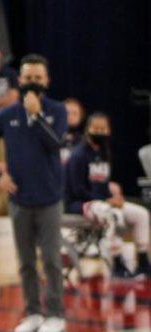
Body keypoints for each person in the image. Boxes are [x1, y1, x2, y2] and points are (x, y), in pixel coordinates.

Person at [0, 55, 67, 332]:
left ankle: (55, 315)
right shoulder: (6, 116)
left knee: (51, 259)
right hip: (20, 200)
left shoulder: (57, 110)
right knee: (26, 262)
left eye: (38, 78)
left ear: (46, 81)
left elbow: (55, 144)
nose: (33, 83)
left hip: (49, 198)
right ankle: (33, 312)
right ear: (19, 80)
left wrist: (37, 116)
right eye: (28, 78)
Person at [64, 112, 151, 279]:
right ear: (87, 130)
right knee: (114, 214)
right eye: (96, 128)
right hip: (79, 204)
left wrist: (114, 197)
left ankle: (143, 261)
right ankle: (117, 264)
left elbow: (103, 185)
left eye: (103, 128)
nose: (100, 132)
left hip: (101, 203)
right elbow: (78, 191)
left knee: (141, 214)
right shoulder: (78, 155)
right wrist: (107, 201)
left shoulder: (104, 153)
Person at [62, 97, 86, 162]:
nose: (70, 116)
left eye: (75, 114)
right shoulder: (50, 136)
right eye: (67, 112)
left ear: (81, 117)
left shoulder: (85, 141)